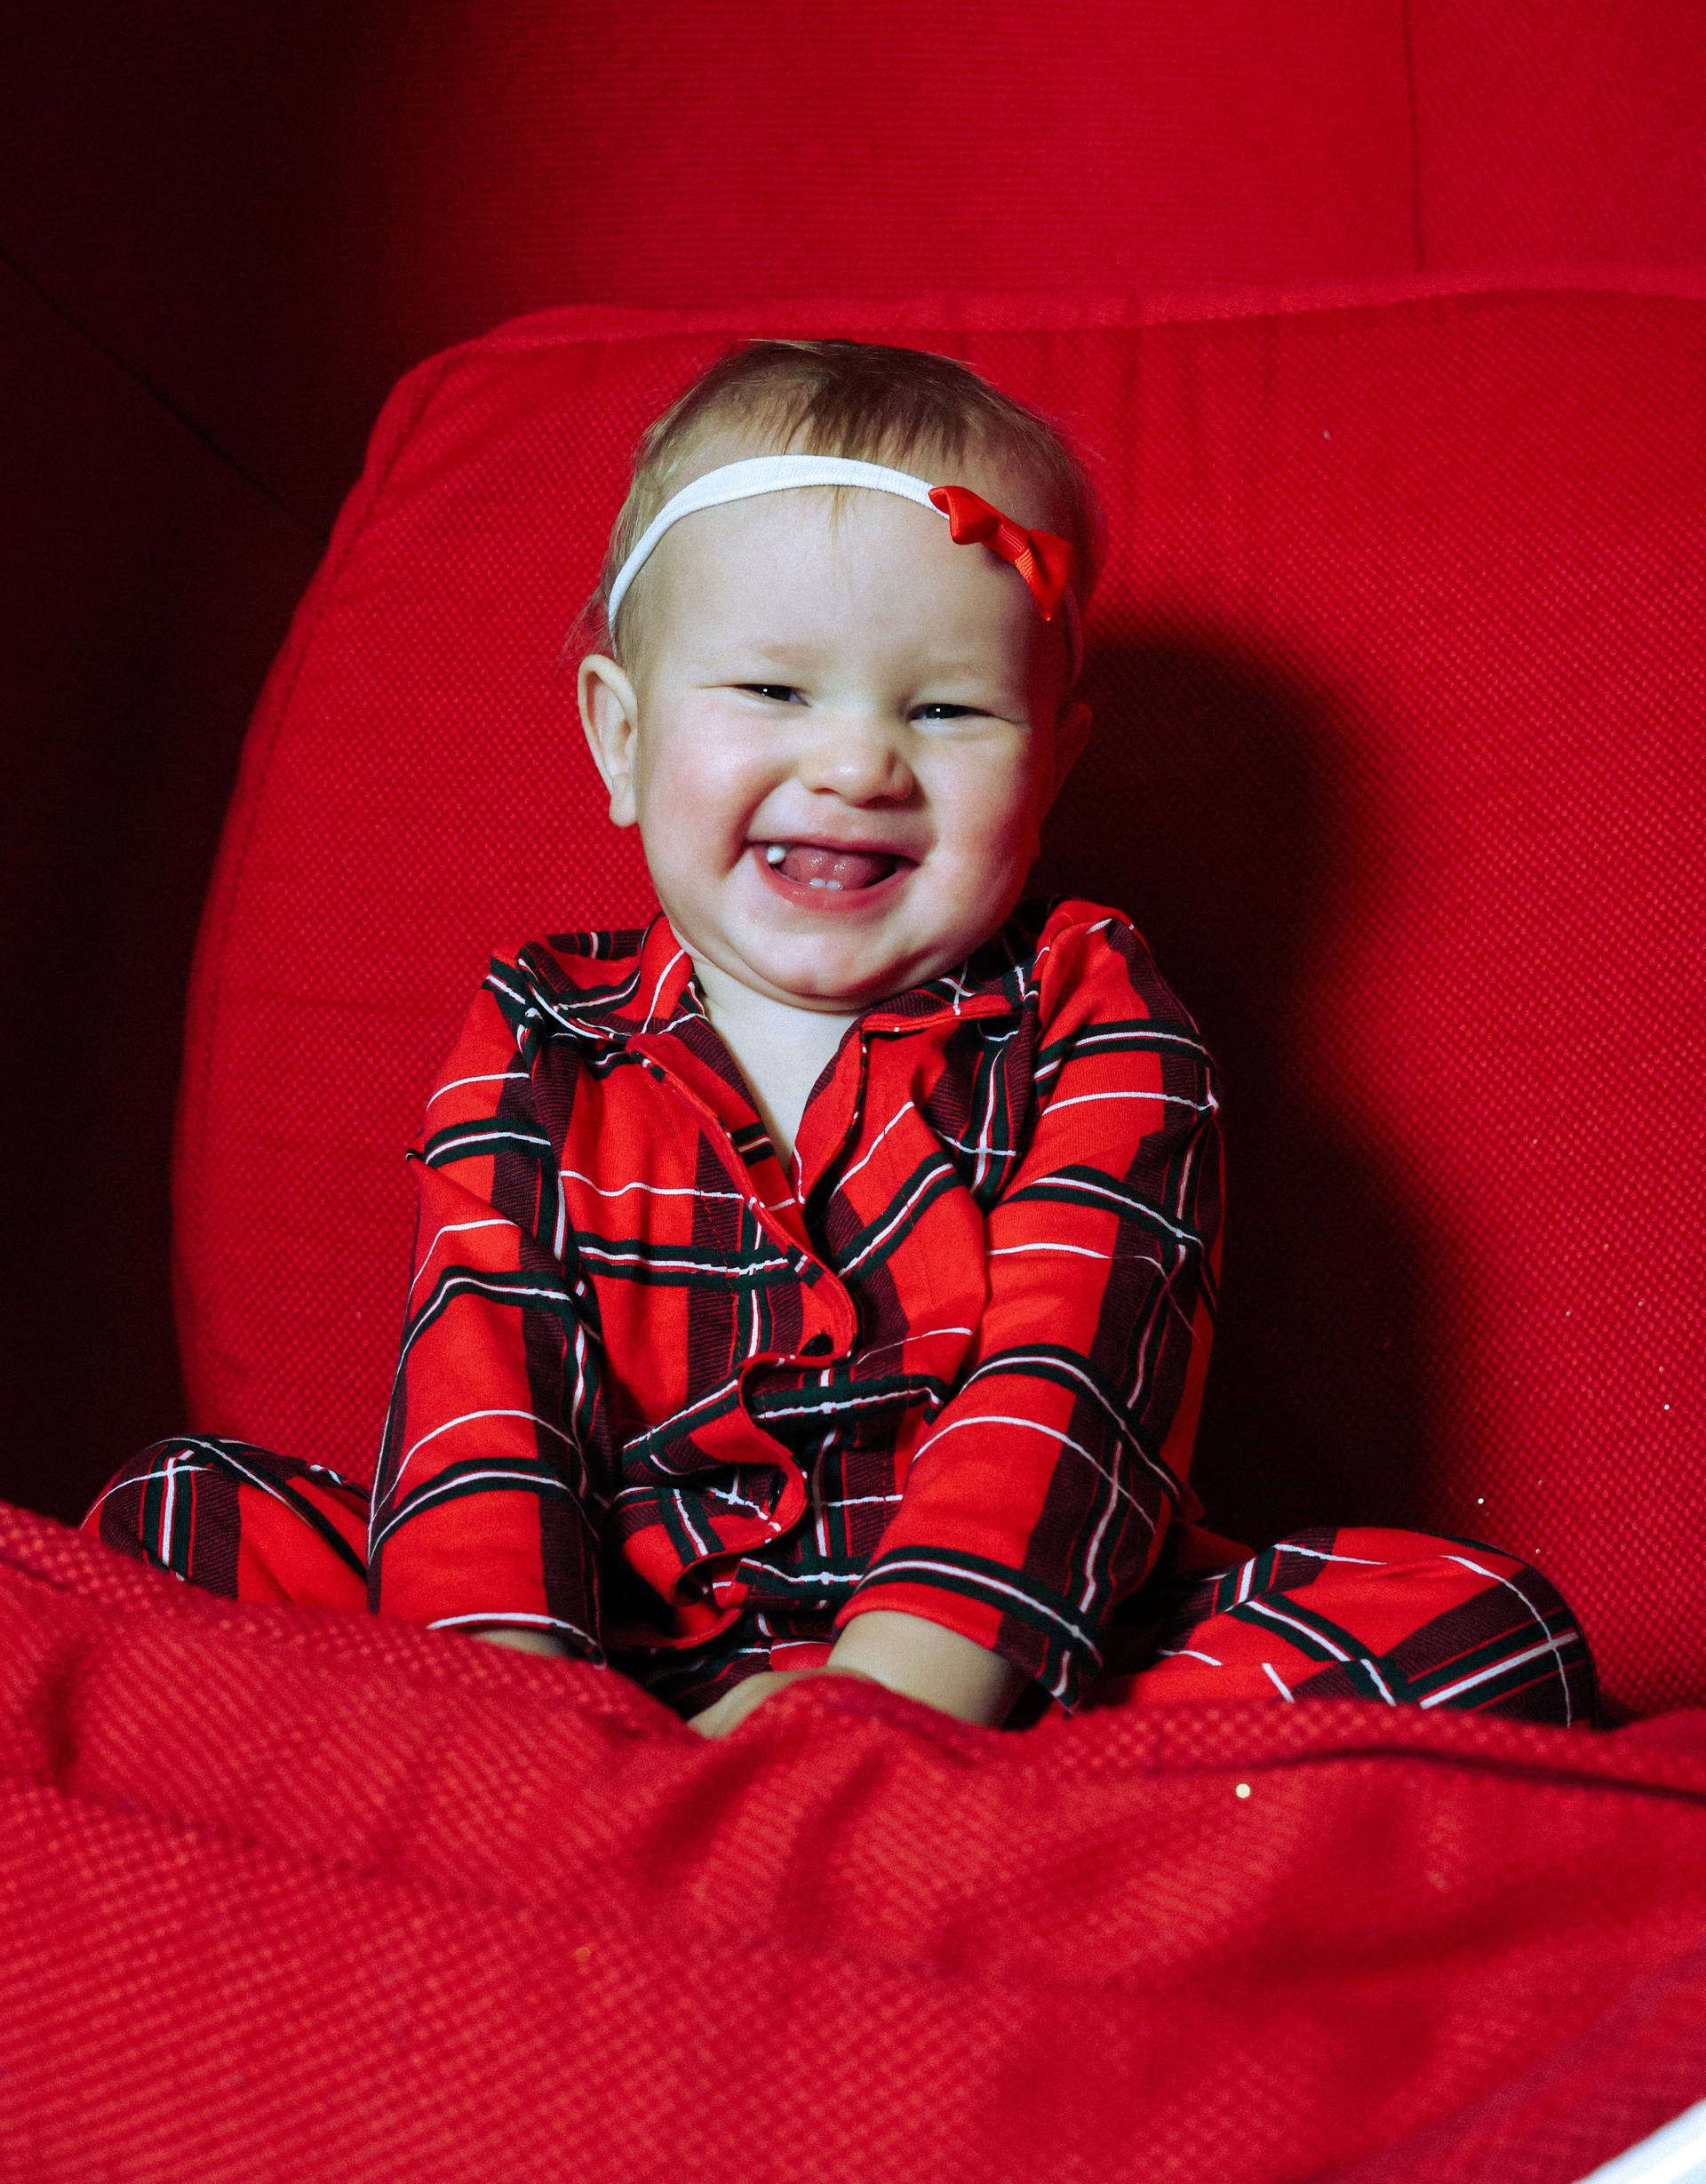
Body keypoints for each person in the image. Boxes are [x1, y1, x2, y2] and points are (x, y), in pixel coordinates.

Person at [86, 339, 1598, 1738]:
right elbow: (488, 1413)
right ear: (622, 736)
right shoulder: (543, 1035)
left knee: (1476, 1633)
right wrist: (527, 1729)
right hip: (608, 1677)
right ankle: (655, 1839)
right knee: (180, 1518)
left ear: (1053, 763)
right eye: (772, 689)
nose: (860, 762)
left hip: (998, 1672)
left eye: (947, 713)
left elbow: (1063, 1402)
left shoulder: (1094, 1015)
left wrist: (865, 1721)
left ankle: (829, 1845)